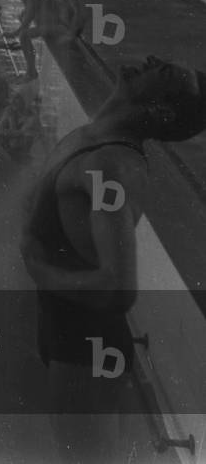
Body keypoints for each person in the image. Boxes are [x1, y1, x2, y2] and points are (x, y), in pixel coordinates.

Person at [20, 55, 206, 464]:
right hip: (68, 330)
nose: (154, 59)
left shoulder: (109, 167)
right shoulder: (91, 139)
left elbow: (119, 288)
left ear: (160, 109)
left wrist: (40, 271)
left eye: (167, 72)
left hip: (87, 346)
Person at [8, 0, 85, 79]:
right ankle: (21, 28)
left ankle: (31, 71)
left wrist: (70, 35)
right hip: (59, 20)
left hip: (64, 27)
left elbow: (80, 13)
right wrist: (28, 9)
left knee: (25, 36)